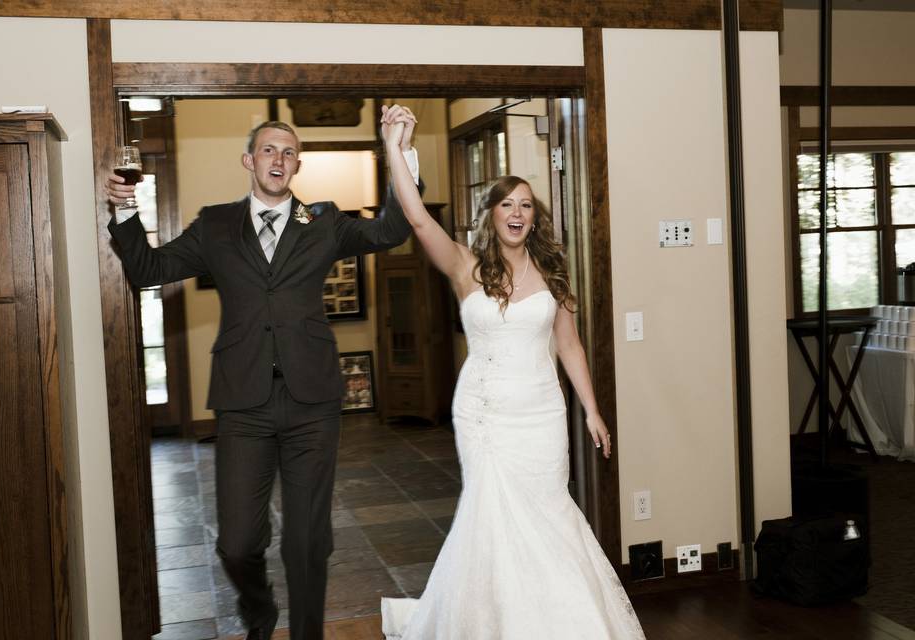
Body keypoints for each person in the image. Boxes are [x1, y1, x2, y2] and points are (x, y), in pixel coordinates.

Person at [105, 105, 421, 640]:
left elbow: (392, 229)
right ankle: (258, 609)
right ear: (249, 160)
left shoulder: (323, 221)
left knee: (308, 539)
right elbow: (148, 269)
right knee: (237, 542)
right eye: (269, 149)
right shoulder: (216, 224)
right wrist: (125, 208)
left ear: (297, 167)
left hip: (313, 401)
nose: (279, 158)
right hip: (242, 402)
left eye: (289, 152)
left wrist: (400, 152)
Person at [379, 119, 645, 639]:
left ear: (534, 217)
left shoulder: (552, 272)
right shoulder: (464, 267)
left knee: (549, 516)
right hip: (486, 416)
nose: (517, 213)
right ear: (492, 215)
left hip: (543, 415)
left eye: (526, 204)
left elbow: (568, 344)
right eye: (507, 204)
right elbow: (415, 217)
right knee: (494, 520)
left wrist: (591, 409)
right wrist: (394, 148)